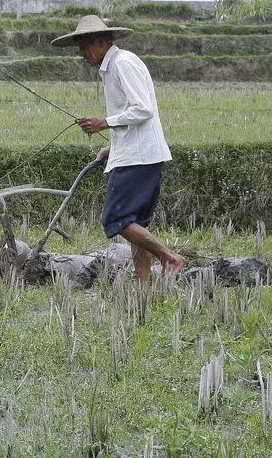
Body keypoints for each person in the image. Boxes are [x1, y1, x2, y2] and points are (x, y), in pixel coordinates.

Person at [52, 15, 185, 280]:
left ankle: (170, 257)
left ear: (100, 42)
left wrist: (104, 122)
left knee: (116, 219)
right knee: (137, 224)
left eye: (82, 47)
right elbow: (131, 113)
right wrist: (113, 147)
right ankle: (142, 283)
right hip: (139, 152)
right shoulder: (114, 66)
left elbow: (143, 109)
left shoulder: (123, 63)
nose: (80, 54)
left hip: (139, 156)